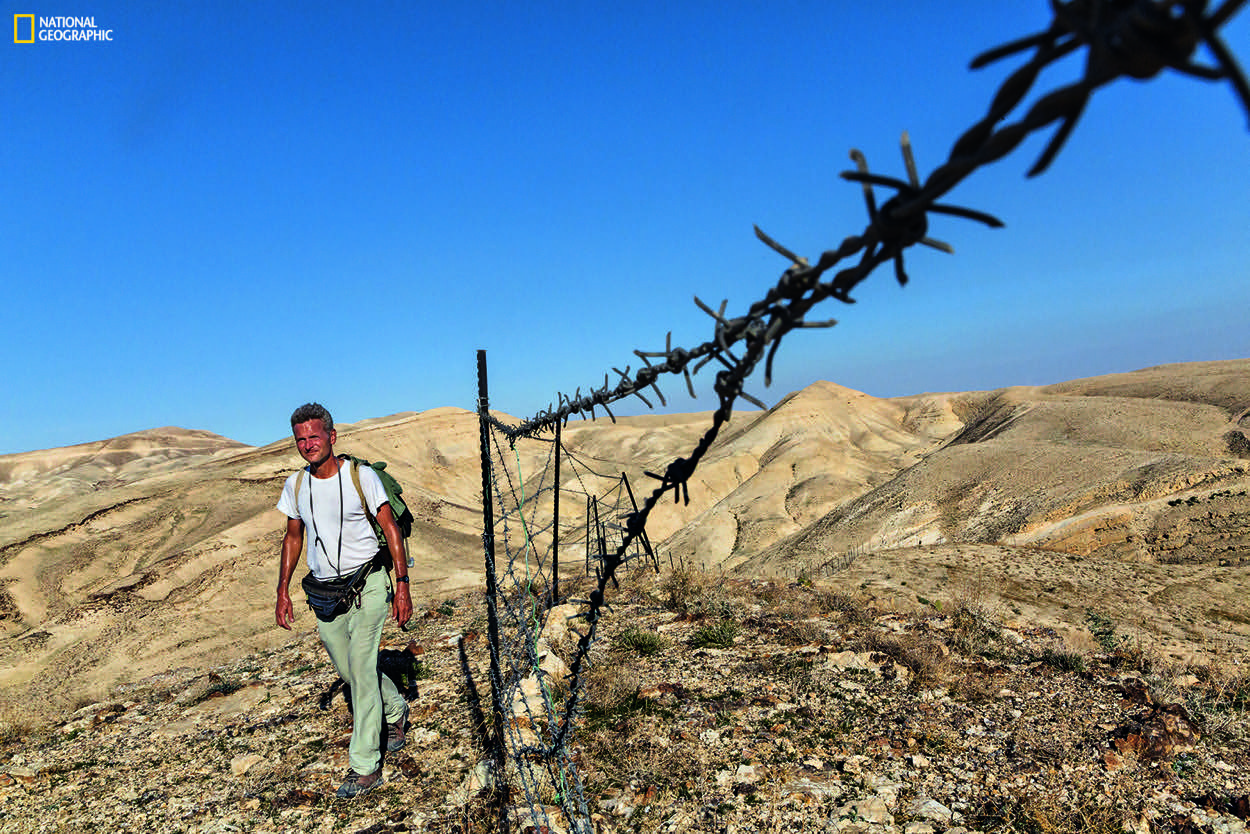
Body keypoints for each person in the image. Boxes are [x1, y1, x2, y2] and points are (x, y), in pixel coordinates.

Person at [275, 402, 413, 798]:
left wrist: (401, 583)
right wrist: (282, 589)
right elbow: (293, 537)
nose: (307, 445)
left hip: (368, 584)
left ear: (332, 437)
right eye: (301, 439)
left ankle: (365, 765)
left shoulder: (361, 477)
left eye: (314, 436)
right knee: (351, 672)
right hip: (325, 594)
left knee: (362, 669)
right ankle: (396, 709)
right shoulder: (295, 486)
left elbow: (390, 528)